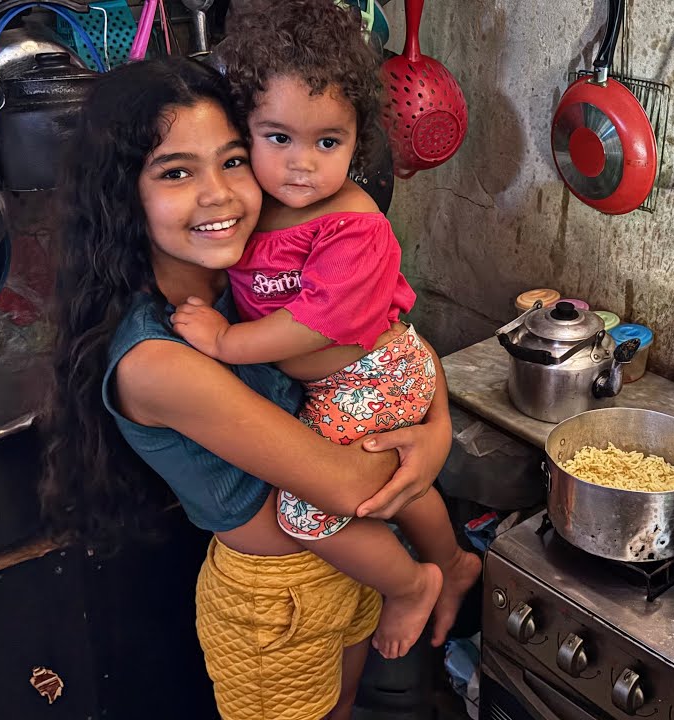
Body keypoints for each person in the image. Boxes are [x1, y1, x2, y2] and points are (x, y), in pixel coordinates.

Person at [40, 58, 454, 720]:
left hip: (353, 557)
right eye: (176, 172)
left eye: (233, 161)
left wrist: (437, 430)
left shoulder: (241, 285)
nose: (219, 195)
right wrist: (428, 450)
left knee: (343, 707)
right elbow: (345, 485)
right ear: (125, 194)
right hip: (276, 599)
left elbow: (387, 338)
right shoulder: (157, 359)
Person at [169, 0, 478, 661]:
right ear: (245, 131)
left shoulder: (352, 224)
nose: (302, 164)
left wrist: (226, 342)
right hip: (353, 378)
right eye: (278, 138)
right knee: (396, 474)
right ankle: (451, 559)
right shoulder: (256, 211)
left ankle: (409, 583)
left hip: (376, 371)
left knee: (305, 512)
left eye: (327, 143)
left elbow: (316, 323)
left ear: (358, 138)